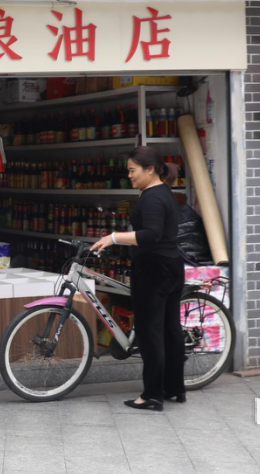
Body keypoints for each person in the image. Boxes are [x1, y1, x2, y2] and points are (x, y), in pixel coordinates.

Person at [90, 146, 184, 412]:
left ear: (150, 169)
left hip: (153, 269)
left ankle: (152, 394)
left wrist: (114, 237)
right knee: (170, 330)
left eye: (133, 170)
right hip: (171, 266)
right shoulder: (165, 192)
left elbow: (151, 234)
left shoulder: (152, 198)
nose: (129, 175)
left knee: (150, 332)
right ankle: (174, 387)